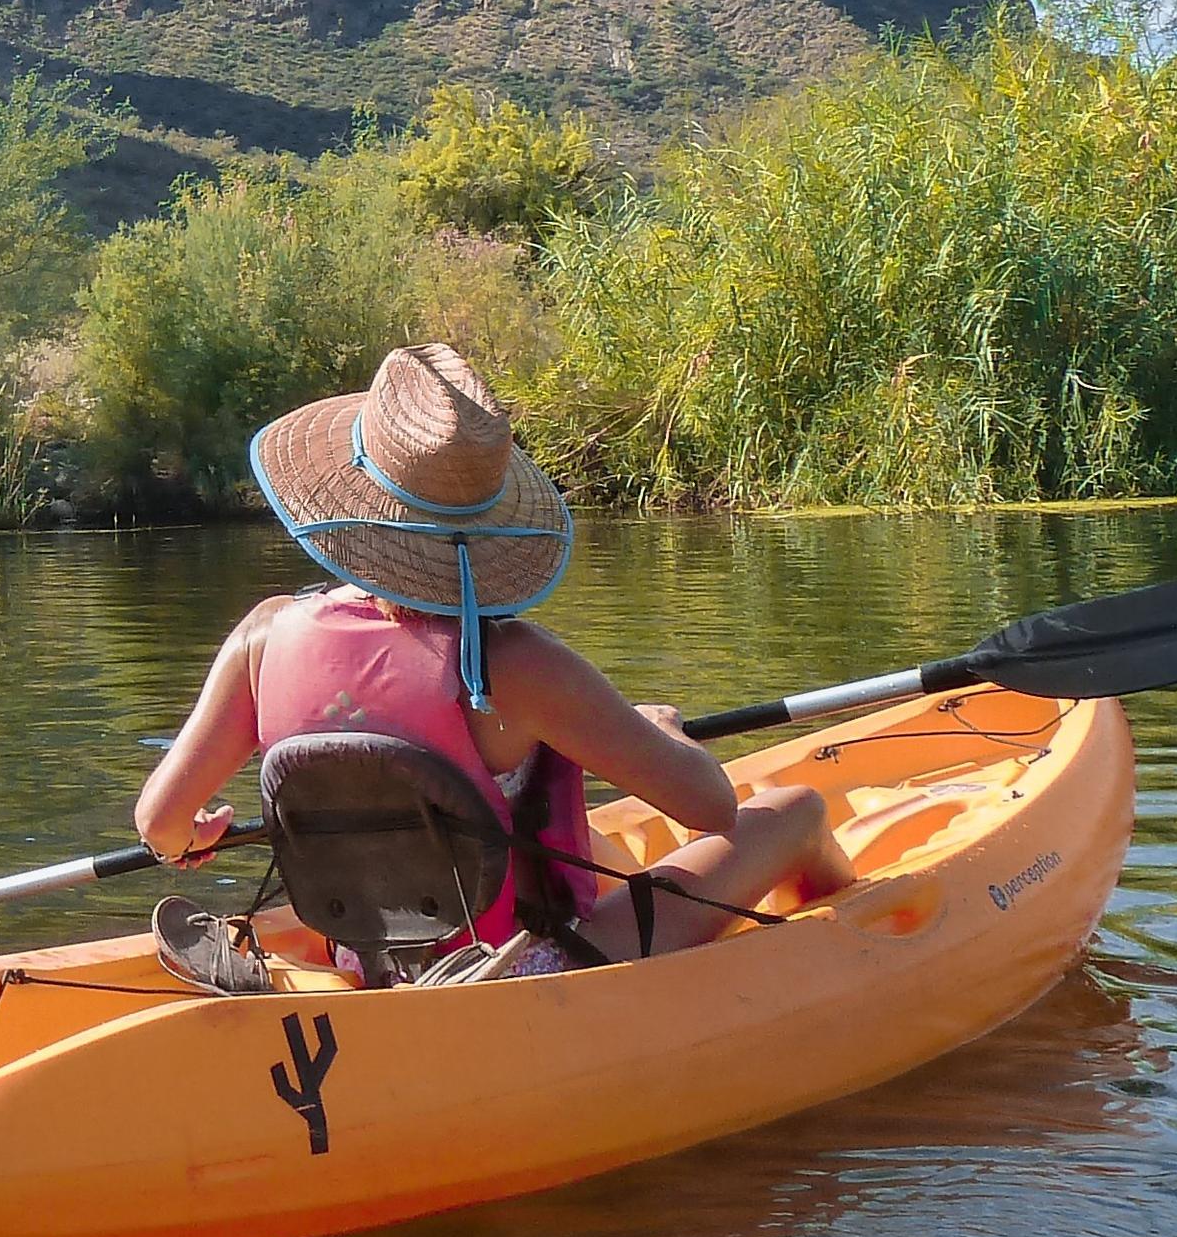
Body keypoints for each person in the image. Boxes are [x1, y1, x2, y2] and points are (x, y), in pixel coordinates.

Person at [134, 343, 854, 992]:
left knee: (600, 845)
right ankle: (851, 942)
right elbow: (711, 808)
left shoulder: (262, 637)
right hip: (525, 970)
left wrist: (198, 831)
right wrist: (666, 734)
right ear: (487, 517)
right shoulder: (513, 664)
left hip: (366, 959)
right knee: (794, 812)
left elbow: (160, 824)